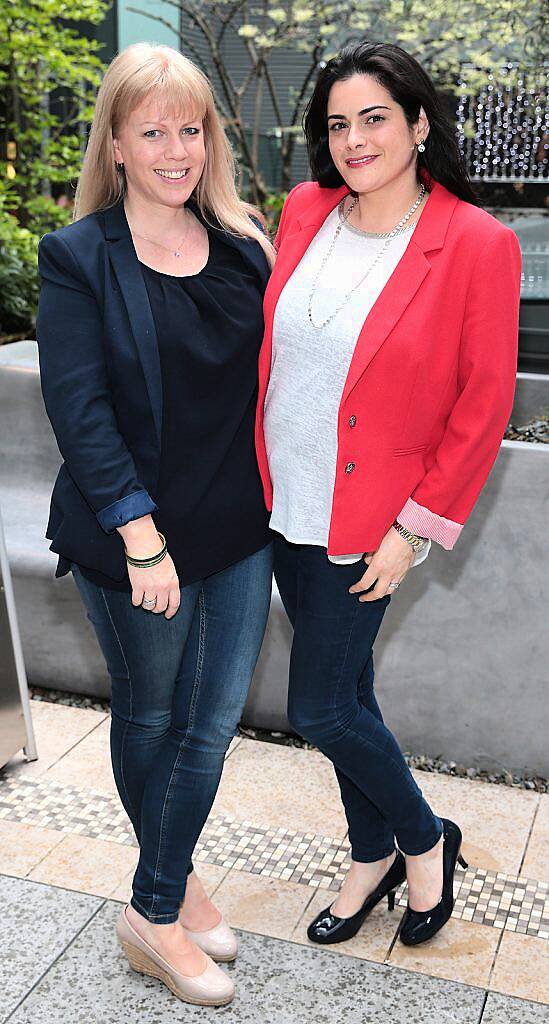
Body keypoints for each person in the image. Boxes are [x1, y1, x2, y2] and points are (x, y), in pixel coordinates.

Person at [254, 41, 521, 948]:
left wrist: (414, 530)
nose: (353, 139)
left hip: (369, 522)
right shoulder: (302, 211)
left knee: (319, 708)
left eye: (374, 118)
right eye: (336, 123)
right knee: (349, 691)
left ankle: (419, 840)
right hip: (283, 497)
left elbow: (483, 405)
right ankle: (370, 849)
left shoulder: (474, 243)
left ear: (416, 123)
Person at [36, 42, 275, 1007]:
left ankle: (164, 885)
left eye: (191, 128)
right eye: (152, 132)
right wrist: (141, 535)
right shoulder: (80, 254)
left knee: (210, 730)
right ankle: (155, 909)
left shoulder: (244, 242)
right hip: (134, 543)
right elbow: (78, 407)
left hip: (240, 531)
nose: (176, 149)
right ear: (118, 144)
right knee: (152, 718)